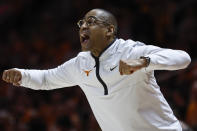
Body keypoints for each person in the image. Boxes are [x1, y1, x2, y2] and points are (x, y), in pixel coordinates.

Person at [2, 8, 191, 131]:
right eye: (81, 23)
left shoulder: (131, 51)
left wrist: (143, 62)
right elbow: (46, 79)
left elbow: (183, 58)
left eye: (90, 22)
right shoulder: (80, 63)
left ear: (109, 31)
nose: (83, 26)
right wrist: (22, 75)